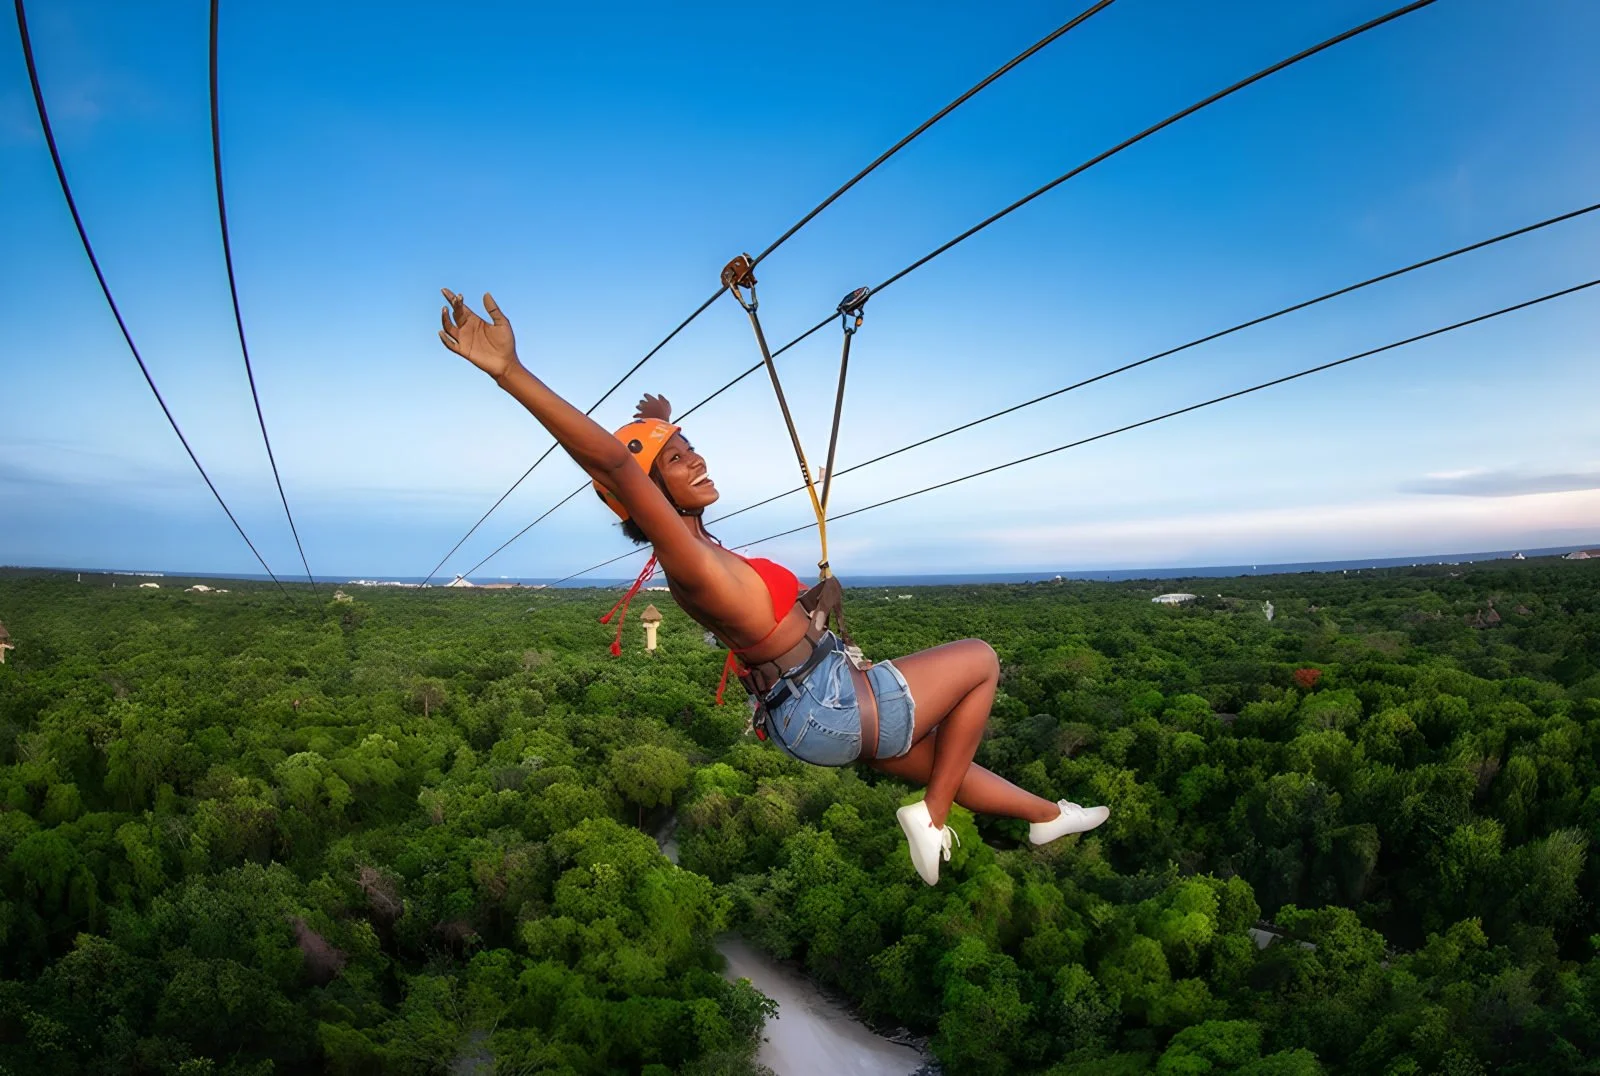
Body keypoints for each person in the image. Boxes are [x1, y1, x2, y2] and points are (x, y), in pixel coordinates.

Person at [438, 289, 1110, 884]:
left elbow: (760, 619)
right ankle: (930, 820)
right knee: (982, 661)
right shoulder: (689, 562)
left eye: (690, 445)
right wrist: (511, 373)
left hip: (809, 707)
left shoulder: (704, 552)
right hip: (830, 702)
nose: (695, 457)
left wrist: (814, 602)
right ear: (642, 496)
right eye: (676, 459)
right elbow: (615, 461)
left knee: (950, 766)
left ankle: (1050, 816)